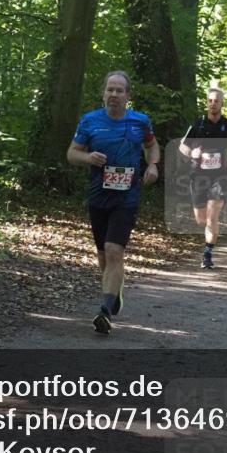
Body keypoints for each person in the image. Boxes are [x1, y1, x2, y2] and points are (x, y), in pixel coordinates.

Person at [67, 71, 159, 334]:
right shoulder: (90, 121)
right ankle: (114, 293)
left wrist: (153, 165)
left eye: (120, 91)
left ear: (128, 96)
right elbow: (71, 153)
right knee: (103, 254)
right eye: (110, 90)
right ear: (103, 93)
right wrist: (87, 159)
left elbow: (152, 146)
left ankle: (104, 311)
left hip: (126, 197)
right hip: (98, 195)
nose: (114, 95)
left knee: (114, 249)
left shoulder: (140, 122)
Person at [179, 88, 227, 269]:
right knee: (201, 218)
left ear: (222, 103)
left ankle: (208, 254)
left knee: (212, 215)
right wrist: (193, 152)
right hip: (198, 175)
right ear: (207, 103)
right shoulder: (198, 124)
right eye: (210, 100)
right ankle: (207, 228)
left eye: (216, 101)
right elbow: (183, 147)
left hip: (220, 175)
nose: (213, 103)